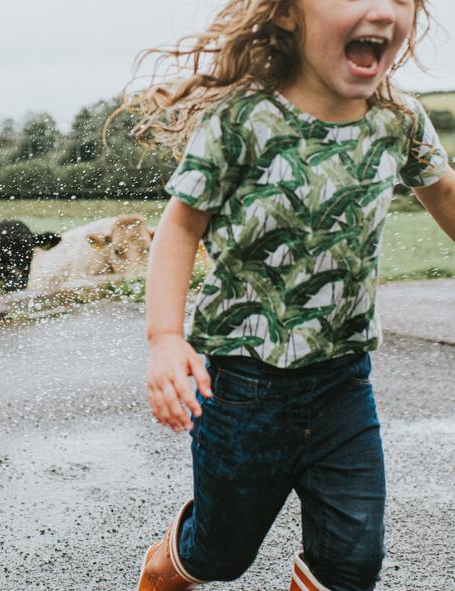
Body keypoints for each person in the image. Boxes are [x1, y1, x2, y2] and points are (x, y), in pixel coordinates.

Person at [129, 0, 455, 589]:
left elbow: (447, 197)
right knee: (221, 554)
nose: (383, 10)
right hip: (242, 385)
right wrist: (165, 338)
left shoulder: (398, 119)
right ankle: (163, 566)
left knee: (352, 559)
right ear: (286, 15)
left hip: (343, 382)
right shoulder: (243, 120)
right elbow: (180, 227)